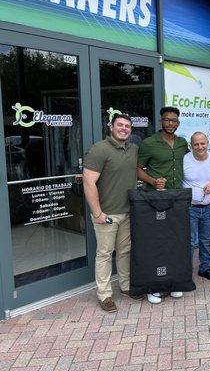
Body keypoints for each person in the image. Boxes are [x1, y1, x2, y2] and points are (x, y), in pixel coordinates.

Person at [83, 113, 142, 312]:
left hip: (127, 212)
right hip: (106, 215)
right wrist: (98, 213)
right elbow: (88, 182)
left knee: (125, 252)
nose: (124, 128)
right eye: (120, 125)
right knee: (105, 254)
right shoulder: (99, 149)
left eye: (127, 126)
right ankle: (105, 294)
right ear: (111, 127)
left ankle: (125, 286)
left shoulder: (133, 148)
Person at [137, 106, 189, 304]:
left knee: (176, 243)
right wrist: (152, 181)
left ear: (178, 122)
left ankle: (174, 282)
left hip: (177, 200)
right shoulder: (149, 143)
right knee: (156, 243)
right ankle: (155, 287)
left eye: (174, 120)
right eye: (167, 120)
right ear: (161, 121)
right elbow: (138, 169)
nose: (171, 124)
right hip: (156, 200)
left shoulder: (183, 143)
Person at [183, 132, 210, 282]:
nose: (200, 147)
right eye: (196, 144)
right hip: (189, 207)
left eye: (203, 143)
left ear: (207, 143)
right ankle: (186, 271)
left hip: (208, 207)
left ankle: (205, 268)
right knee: (189, 240)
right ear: (191, 145)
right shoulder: (184, 160)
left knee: (206, 240)